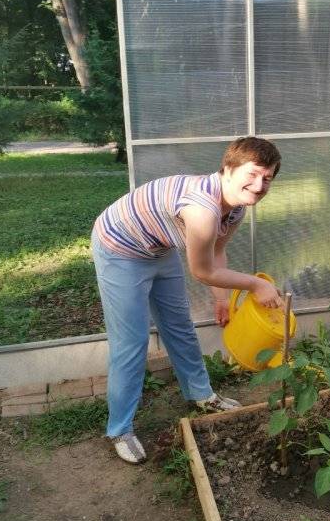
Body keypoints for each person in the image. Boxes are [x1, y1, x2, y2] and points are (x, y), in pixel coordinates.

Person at [92, 136, 283, 464]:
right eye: (252, 174)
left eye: (268, 178)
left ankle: (202, 395)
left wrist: (221, 300)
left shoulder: (234, 209)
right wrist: (254, 285)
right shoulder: (202, 209)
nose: (259, 184)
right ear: (227, 169)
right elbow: (202, 270)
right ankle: (119, 429)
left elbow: (217, 252)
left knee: (179, 327)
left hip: (158, 246)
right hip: (119, 248)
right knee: (132, 343)